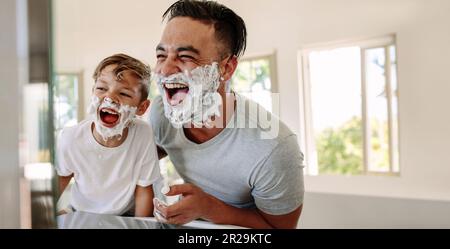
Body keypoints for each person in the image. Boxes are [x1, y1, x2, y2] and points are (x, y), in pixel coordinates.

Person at [150, 0, 305, 228]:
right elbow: (138, 157)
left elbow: (280, 228)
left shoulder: (274, 147)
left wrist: (208, 208)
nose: (164, 70)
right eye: (161, 55)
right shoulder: (162, 113)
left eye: (185, 57)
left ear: (226, 68)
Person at [56, 54, 161, 217]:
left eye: (125, 94)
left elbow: (144, 191)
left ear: (142, 107)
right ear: (93, 93)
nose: (110, 98)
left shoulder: (142, 134)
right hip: (81, 213)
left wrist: (141, 225)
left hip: (125, 215)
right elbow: (58, 184)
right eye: (101, 89)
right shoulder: (71, 138)